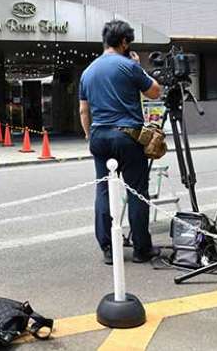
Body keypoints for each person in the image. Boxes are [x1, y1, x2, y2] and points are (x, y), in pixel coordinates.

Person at [78, 20, 162, 265]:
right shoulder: (128, 66)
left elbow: (84, 111)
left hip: (98, 135)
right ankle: (141, 249)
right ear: (124, 42)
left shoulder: (88, 71)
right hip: (127, 136)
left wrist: (88, 135)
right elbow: (155, 92)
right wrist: (139, 67)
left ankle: (108, 248)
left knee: (104, 189)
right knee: (136, 191)